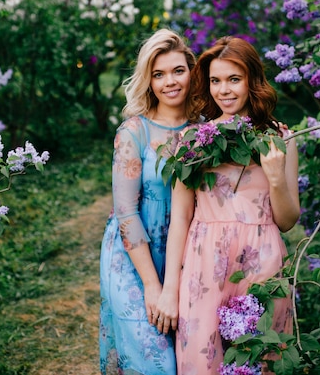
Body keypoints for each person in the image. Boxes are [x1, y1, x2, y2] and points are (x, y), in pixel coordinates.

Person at [155, 36, 300, 374]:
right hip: (205, 264)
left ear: (252, 80)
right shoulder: (192, 142)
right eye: (216, 81)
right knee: (203, 359)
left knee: (263, 359)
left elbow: (289, 220)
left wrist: (276, 176)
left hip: (262, 264)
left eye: (234, 79)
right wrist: (169, 290)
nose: (224, 90)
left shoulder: (279, 138)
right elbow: (180, 218)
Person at [99, 28, 197, 375]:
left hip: (185, 252)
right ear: (148, 80)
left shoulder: (204, 129)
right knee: (154, 361)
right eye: (158, 74)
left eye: (177, 71)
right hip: (135, 256)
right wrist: (153, 286)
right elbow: (125, 212)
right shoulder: (134, 132)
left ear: (191, 71)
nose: (169, 82)